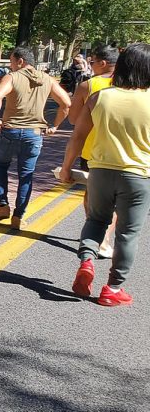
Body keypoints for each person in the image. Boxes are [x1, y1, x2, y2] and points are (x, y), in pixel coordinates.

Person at [62, 43, 150, 306]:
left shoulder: (100, 97)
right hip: (138, 175)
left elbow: (77, 136)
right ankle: (113, 288)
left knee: (97, 220)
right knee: (127, 233)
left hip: (100, 171)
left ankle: (87, 261)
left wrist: (66, 167)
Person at [0, 47, 71, 229]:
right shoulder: (47, 79)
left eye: (11, 61)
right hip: (34, 134)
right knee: (26, 175)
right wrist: (54, 126)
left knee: (1, 166)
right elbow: (66, 103)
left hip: (10, 130)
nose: (10, 65)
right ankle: (18, 216)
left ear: (20, 61)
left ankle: (2, 205)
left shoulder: (13, 77)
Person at [67, 44, 118, 258]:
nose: (91, 65)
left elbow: (72, 119)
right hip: (122, 151)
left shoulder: (88, 86)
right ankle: (106, 239)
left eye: (93, 62)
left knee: (92, 194)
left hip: (92, 149)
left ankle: (93, 232)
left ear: (103, 63)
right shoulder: (133, 86)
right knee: (114, 199)